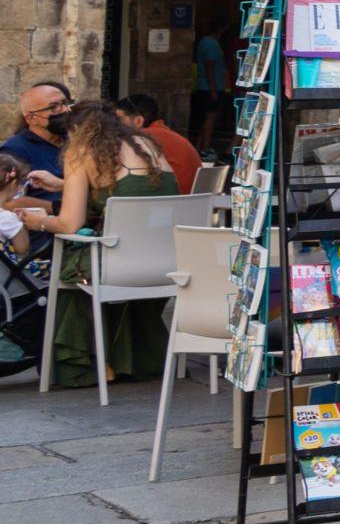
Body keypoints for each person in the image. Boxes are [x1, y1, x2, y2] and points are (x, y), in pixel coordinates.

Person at [20, 102, 176, 387]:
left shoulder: (82, 151)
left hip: (114, 265)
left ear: (78, 131)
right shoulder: (145, 145)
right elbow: (124, 191)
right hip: (166, 264)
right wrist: (64, 184)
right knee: (96, 256)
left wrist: (39, 221)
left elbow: (69, 224)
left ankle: (88, 364)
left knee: (69, 270)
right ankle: (126, 359)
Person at [114, 93, 201, 193]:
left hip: (174, 201)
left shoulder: (143, 139)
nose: (116, 124)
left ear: (138, 121)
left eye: (119, 119)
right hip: (194, 201)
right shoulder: (166, 134)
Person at [2, 82, 70, 201]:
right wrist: (57, 209)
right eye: (54, 107)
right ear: (32, 118)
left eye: (64, 103)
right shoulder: (15, 150)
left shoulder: (75, 140)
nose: (65, 110)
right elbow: (9, 201)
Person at [191, 27, 228, 148]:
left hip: (204, 85)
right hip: (211, 86)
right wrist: (213, 89)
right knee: (210, 117)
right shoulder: (212, 44)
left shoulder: (204, 42)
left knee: (206, 118)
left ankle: (200, 146)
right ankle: (205, 147)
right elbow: (209, 66)